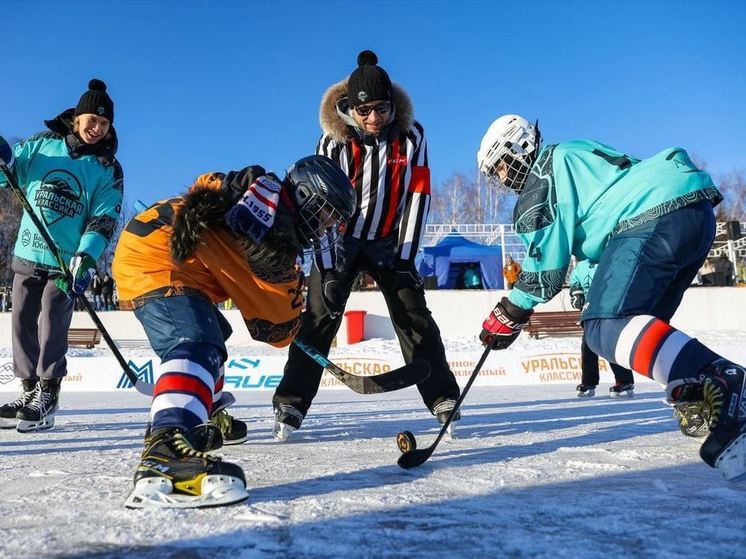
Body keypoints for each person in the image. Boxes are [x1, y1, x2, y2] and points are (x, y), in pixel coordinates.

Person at [476, 114, 746, 481]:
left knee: (604, 326)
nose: (504, 178)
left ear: (519, 147)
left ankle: (724, 377)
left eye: (503, 166)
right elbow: (605, 221)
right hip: (691, 212)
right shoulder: (572, 152)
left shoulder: (540, 177)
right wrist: (587, 285)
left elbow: (545, 271)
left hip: (652, 219)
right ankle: (699, 391)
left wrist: (510, 312)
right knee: (640, 328)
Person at [112, 155, 355, 508]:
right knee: (194, 343)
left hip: (167, 254)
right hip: (155, 262)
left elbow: (206, 183)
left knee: (215, 332)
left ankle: (204, 413)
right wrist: (294, 297)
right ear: (304, 196)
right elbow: (276, 332)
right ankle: (167, 449)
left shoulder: (254, 195)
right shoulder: (270, 242)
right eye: (324, 214)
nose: (325, 228)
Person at [272, 50, 461, 441]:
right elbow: (318, 203)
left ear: (393, 106)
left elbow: (419, 194)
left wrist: (407, 256)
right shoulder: (333, 143)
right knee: (319, 316)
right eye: (365, 111)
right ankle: (291, 402)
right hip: (339, 240)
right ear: (349, 109)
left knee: (414, 315)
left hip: (390, 239)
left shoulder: (413, 137)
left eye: (382, 109)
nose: (374, 118)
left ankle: (442, 397)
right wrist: (326, 266)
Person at [0, 79, 123, 432]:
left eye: (104, 124)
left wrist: (86, 257)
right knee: (22, 319)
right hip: (28, 250)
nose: (97, 129)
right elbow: (8, 174)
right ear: (77, 117)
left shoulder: (106, 168)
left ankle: (49, 392)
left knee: (53, 317)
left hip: (65, 262)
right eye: (92, 120)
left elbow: (103, 218)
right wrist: (3, 158)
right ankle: (28, 390)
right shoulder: (42, 145)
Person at [569, 260, 635, 398]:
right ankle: (588, 382)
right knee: (587, 348)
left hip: (607, 311)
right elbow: (574, 280)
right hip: (589, 313)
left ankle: (624, 380)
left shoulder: (608, 260)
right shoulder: (581, 266)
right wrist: (576, 292)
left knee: (610, 346)